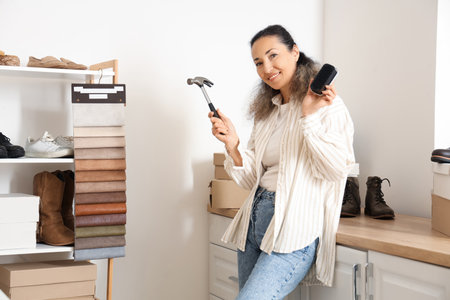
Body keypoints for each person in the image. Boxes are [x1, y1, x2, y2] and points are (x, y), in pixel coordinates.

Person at [208, 24, 355, 300]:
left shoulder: (327, 106)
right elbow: (253, 180)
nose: (267, 67)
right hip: (254, 223)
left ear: (295, 52)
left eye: (273, 55)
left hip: (293, 234)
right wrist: (233, 146)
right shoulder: (267, 113)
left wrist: (309, 118)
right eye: (258, 62)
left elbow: (337, 170)